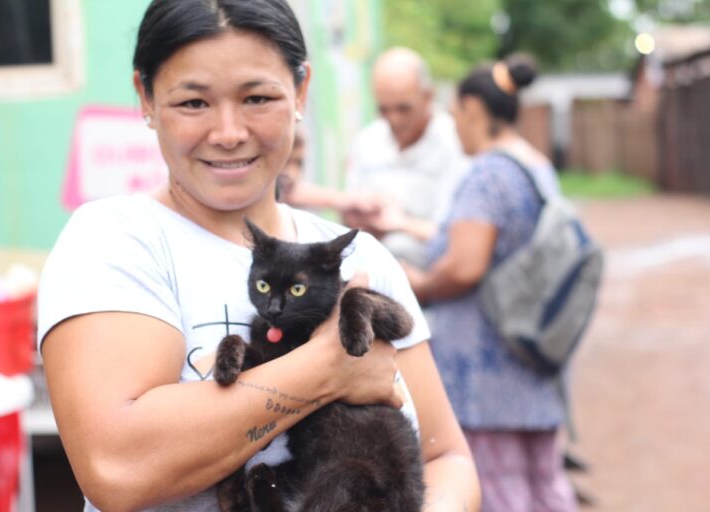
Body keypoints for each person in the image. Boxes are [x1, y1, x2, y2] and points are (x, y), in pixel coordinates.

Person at [36, 1, 481, 511]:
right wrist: (328, 369)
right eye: (193, 103)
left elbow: (447, 458)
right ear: (146, 97)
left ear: (301, 91)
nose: (228, 133)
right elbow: (117, 467)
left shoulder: (360, 258)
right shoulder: (116, 241)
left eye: (257, 97)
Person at [401, 54, 579, 512]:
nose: (454, 124)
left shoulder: (487, 173)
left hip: (486, 373)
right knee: (546, 486)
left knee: (500, 492)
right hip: (532, 358)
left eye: (456, 113)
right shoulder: (535, 165)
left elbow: (465, 265)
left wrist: (416, 284)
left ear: (475, 109)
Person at [342, 47, 469, 268]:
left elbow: (456, 234)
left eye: (404, 109)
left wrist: (398, 223)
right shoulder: (367, 140)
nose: (394, 120)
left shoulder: (455, 143)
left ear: (428, 96)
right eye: (384, 109)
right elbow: (348, 216)